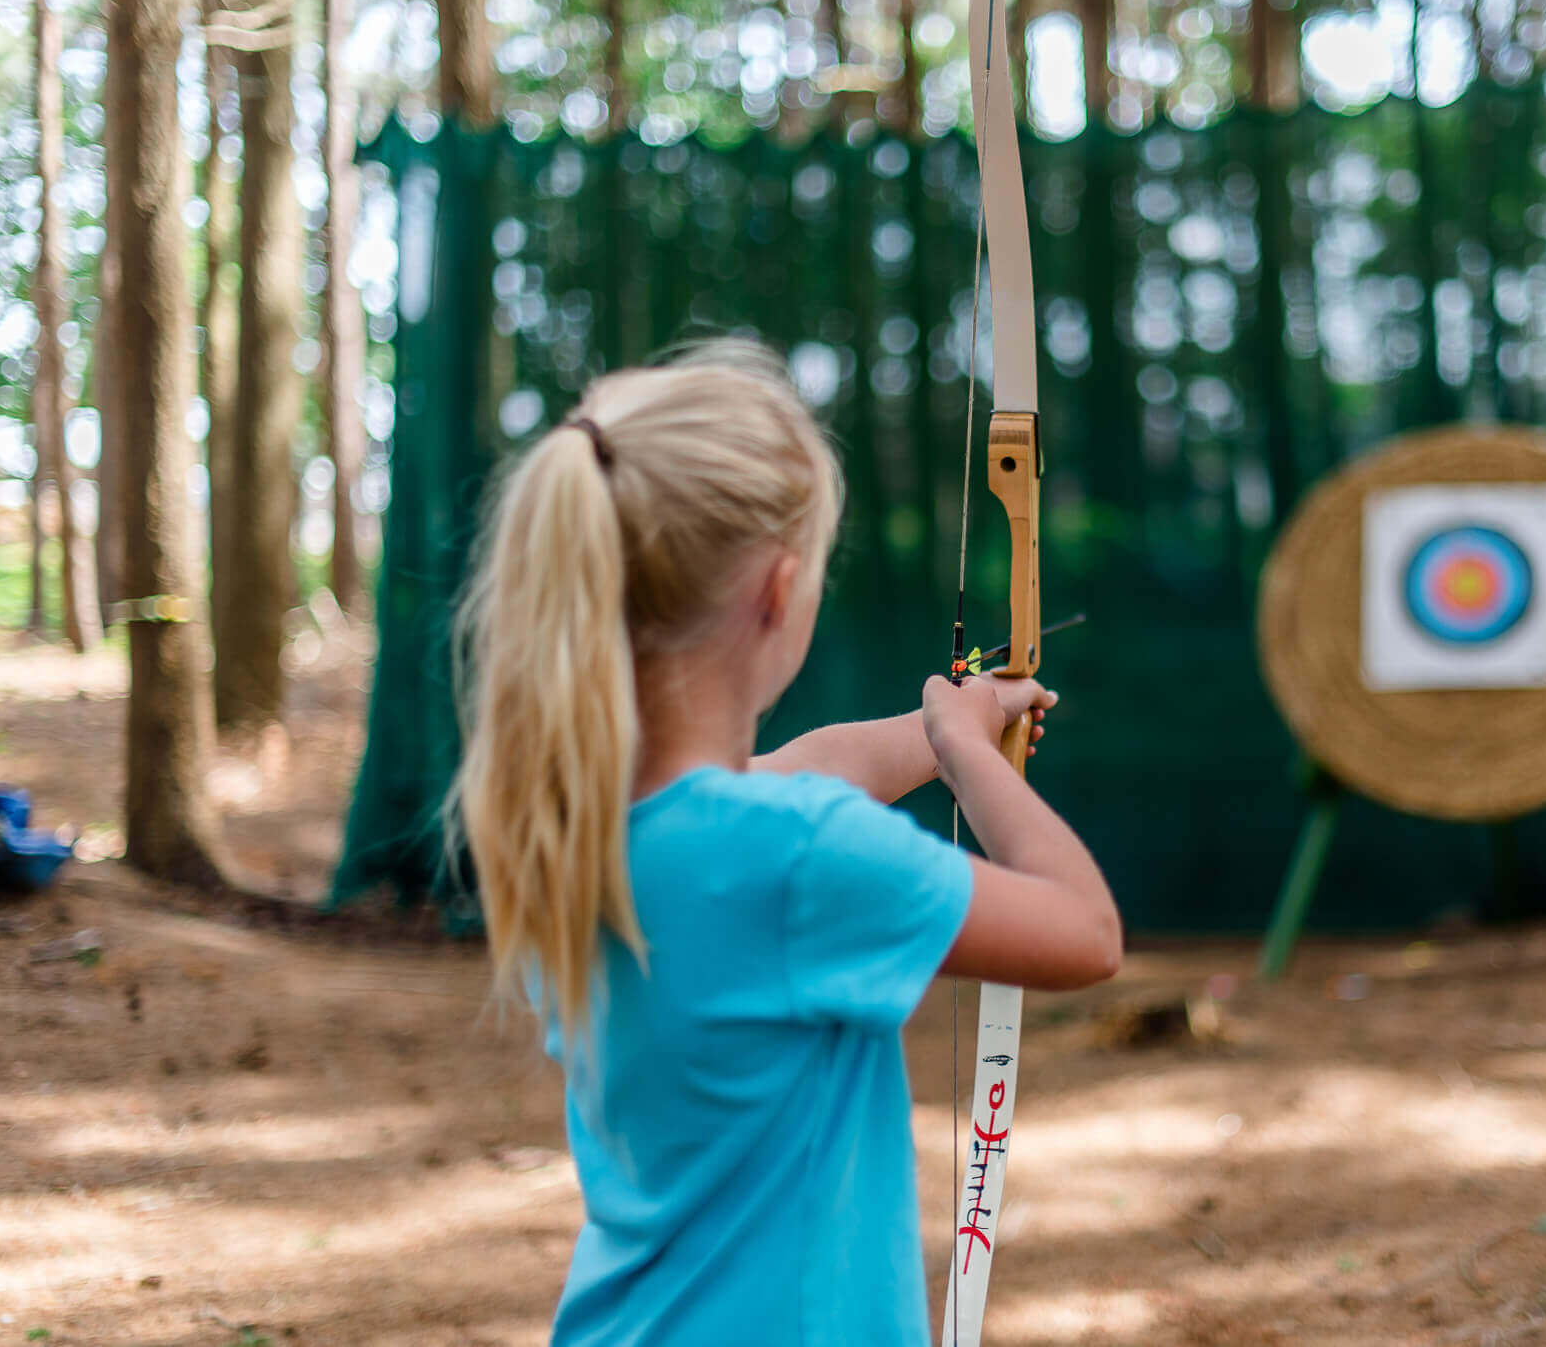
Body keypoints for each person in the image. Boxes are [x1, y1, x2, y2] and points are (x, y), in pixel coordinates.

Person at [450, 340, 1121, 1346]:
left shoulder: (571, 827)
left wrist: (947, 725)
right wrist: (968, 757)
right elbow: (1086, 930)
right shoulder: (797, 854)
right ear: (778, 590)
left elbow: (805, 770)